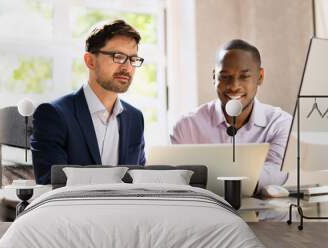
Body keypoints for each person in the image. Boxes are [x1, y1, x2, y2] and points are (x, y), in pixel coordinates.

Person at [31, 20, 146, 185]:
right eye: (119, 57)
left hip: (126, 210)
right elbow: (52, 186)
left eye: (133, 59)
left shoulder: (135, 118)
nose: (127, 68)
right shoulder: (53, 115)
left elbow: (138, 183)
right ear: (90, 61)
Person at [170, 39, 292, 193]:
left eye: (244, 76)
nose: (234, 86)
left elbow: (277, 172)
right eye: (225, 76)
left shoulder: (280, 123)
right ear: (214, 77)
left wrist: (209, 178)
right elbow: (177, 180)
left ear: (260, 76)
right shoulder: (186, 126)